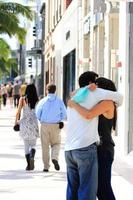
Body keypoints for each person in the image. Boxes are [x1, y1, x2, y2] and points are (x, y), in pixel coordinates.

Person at [65, 71, 123, 200]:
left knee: (102, 188)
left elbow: (88, 114)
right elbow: (76, 96)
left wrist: (74, 103)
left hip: (103, 149)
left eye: (97, 86)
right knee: (93, 187)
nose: (94, 88)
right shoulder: (94, 101)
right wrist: (83, 90)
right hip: (94, 147)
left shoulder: (106, 102)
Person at [35, 83, 67, 172]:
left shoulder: (42, 101)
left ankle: (46, 167)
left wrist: (42, 119)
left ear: (46, 90)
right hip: (56, 125)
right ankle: (54, 158)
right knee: (56, 143)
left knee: (45, 146)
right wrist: (60, 120)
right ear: (55, 90)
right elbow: (65, 113)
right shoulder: (59, 101)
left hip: (44, 125)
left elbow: (37, 113)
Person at [15, 83, 39, 171]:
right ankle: (32, 153)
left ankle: (29, 165)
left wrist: (16, 123)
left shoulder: (22, 99)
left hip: (24, 123)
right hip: (34, 123)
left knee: (26, 144)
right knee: (33, 144)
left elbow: (18, 112)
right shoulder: (37, 100)